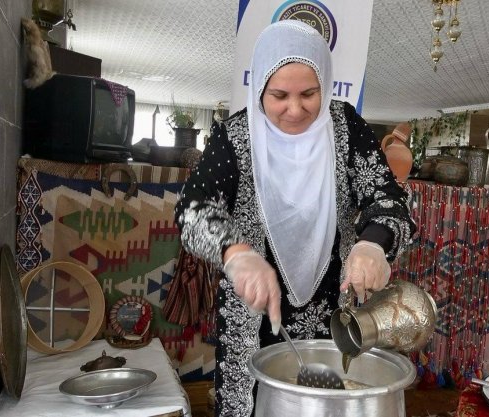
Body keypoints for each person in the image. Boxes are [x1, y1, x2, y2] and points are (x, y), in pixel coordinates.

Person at [175, 20, 414, 416]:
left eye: (309, 93)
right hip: (253, 314)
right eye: (279, 95)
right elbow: (193, 211)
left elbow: (387, 199)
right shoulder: (234, 137)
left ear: (325, 82)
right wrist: (237, 254)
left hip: (335, 316)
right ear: (260, 90)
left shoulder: (346, 129)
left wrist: (373, 243)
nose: (295, 109)